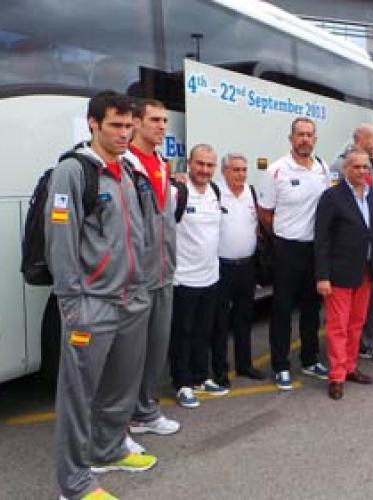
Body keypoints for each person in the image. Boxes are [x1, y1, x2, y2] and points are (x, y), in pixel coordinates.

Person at [47, 91, 154, 500]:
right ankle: (74, 484)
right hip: (93, 303)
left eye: (129, 126)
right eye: (115, 126)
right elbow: (60, 242)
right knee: (78, 397)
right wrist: (71, 304)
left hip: (132, 300)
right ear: (93, 124)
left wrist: (143, 287)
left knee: (121, 388)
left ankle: (108, 451)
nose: (124, 134)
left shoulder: (127, 170)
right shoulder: (73, 172)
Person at [122, 99, 180, 445]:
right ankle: (124, 418)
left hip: (163, 273)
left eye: (164, 120)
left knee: (156, 349)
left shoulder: (160, 162)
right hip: (137, 276)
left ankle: (144, 411)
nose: (161, 126)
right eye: (155, 120)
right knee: (130, 353)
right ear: (137, 123)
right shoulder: (126, 164)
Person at [258, 117, 330, 390]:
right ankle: (280, 365)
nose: (305, 139)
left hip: (315, 249)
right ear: (291, 138)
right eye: (300, 134)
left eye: (309, 135)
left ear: (315, 139)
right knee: (282, 309)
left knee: (312, 308)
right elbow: (265, 212)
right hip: (287, 248)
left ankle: (310, 359)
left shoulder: (322, 168)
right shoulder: (276, 170)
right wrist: (283, 234)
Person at [315, 149, 373, 400]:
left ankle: (350, 367)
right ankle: (336, 376)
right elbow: (321, 239)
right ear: (346, 169)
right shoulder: (331, 197)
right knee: (338, 327)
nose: (362, 171)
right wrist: (322, 276)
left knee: (356, 324)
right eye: (357, 167)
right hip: (339, 273)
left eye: (366, 167)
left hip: (366, 271)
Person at [169, 144, 228, 409]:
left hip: (210, 276)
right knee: (182, 333)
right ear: (189, 163)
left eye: (209, 165)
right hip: (183, 278)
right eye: (200, 164)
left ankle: (201, 377)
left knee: (203, 331)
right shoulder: (178, 191)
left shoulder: (215, 191)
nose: (204, 170)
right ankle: (182, 383)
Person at [330, 124, 373, 362]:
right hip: (350, 250)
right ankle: (346, 351)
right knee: (347, 306)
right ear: (359, 139)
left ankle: (368, 342)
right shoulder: (339, 165)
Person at [211, 153, 267, 388]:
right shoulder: (215, 193)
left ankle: (245, 365)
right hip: (221, 267)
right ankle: (220, 370)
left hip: (246, 266)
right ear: (224, 171)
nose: (241, 174)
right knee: (220, 322)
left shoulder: (251, 193)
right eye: (236, 170)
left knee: (244, 318)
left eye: (244, 170)